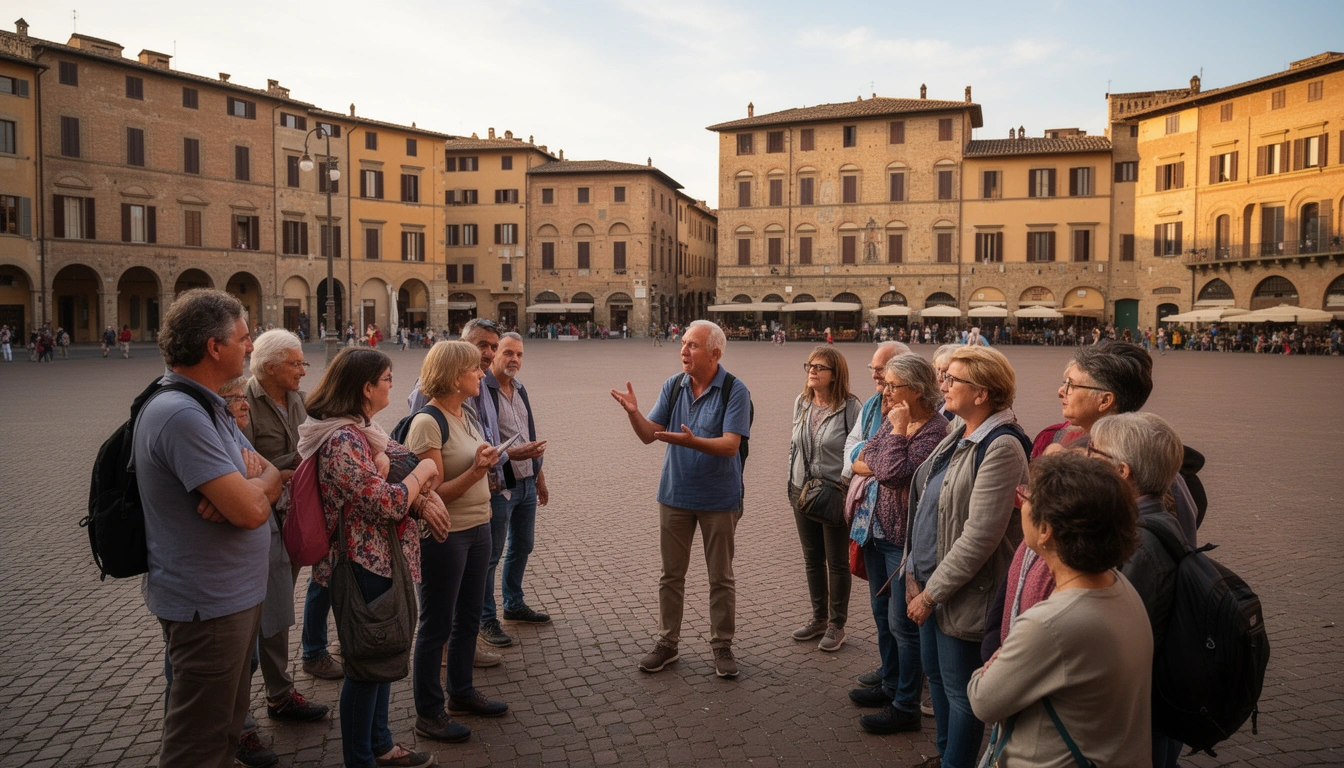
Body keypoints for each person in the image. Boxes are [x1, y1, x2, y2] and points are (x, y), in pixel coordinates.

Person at [134, 289, 285, 767]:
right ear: (213, 347)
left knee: (225, 729)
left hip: (231, 597)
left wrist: (251, 487)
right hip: (209, 607)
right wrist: (249, 493)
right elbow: (254, 511)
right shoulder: (181, 413)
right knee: (197, 742)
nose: (251, 346)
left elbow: (274, 475)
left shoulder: (210, 405)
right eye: (244, 338)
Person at [299, 347, 447, 768]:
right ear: (365, 388)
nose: (391, 384)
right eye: (386, 378)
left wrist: (397, 465)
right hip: (362, 565)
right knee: (366, 667)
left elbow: (408, 460)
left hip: (383, 559)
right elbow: (390, 500)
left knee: (382, 659)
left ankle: (380, 745)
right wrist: (417, 481)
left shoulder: (364, 429)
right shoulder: (342, 439)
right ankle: (360, 758)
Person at [967, 452, 1151, 768]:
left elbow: (982, 699)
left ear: (1046, 530)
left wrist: (994, 662)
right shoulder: (1119, 585)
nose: (1021, 503)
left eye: (1027, 498)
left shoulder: (1050, 624)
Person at [904, 346, 1030, 768]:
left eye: (952, 379)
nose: (943, 384)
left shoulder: (1002, 446)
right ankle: (945, 755)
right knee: (937, 678)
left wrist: (931, 594)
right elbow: (924, 506)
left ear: (982, 392)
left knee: (962, 694)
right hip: (930, 583)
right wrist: (911, 572)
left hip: (961, 592)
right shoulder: (960, 431)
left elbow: (980, 536)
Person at [610, 320, 751, 678]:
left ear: (715, 353)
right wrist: (633, 414)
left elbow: (731, 444)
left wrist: (693, 442)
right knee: (670, 575)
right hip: (674, 495)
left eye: (693, 346)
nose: (683, 350)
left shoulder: (735, 390)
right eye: (684, 343)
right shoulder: (674, 386)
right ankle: (667, 643)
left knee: (720, 577)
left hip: (719, 498)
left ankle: (722, 646)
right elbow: (650, 435)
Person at [402, 341, 509, 744]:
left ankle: (461, 692)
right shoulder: (427, 422)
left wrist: (484, 455)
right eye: (474, 369)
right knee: (436, 625)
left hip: (478, 528)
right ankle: (429, 712)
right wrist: (479, 469)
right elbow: (431, 495)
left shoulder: (464, 413)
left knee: (467, 619)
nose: (482, 373)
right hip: (446, 535)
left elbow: (472, 460)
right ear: (452, 375)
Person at [847, 353, 948, 735]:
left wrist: (900, 434)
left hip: (904, 541)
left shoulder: (934, 431)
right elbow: (861, 458)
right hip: (875, 531)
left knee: (902, 624)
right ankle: (890, 684)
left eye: (893, 385)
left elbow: (888, 473)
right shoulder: (894, 420)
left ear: (918, 390)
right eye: (885, 384)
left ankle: (906, 703)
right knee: (880, 615)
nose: (885, 391)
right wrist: (894, 441)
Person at [239, 331, 332, 727]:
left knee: (276, 612)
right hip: (258, 523)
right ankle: (238, 718)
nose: (302, 370)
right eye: (295, 363)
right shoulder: (242, 402)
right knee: (246, 622)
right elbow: (243, 466)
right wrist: (284, 468)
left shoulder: (298, 398)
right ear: (271, 366)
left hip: (292, 517)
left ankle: (279, 695)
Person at [1089, 412, 1189, 767]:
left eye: (1095, 453)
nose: (1086, 458)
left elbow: (1116, 635)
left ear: (1122, 471)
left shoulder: (1139, 540)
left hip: (1138, 706)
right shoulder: (1156, 518)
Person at [840, 341, 910, 689]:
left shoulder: (918, 413)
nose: (876, 376)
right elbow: (852, 451)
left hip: (898, 528)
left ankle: (908, 685)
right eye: (873, 369)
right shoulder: (872, 405)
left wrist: (870, 463)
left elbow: (896, 468)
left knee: (903, 616)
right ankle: (889, 671)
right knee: (881, 610)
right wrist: (871, 462)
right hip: (869, 523)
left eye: (882, 369)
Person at [788, 346, 861, 652]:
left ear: (835, 375)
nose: (812, 371)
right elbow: (794, 445)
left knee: (837, 562)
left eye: (820, 367)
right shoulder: (802, 402)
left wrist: (845, 484)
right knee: (812, 559)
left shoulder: (850, 408)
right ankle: (818, 617)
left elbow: (858, 448)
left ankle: (836, 624)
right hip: (801, 490)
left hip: (832, 492)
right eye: (810, 365)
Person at [481, 333, 551, 639]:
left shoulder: (519, 389)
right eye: (508, 353)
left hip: (525, 481)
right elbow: (483, 443)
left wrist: (539, 476)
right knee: (491, 554)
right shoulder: (482, 391)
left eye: (519, 355)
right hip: (499, 485)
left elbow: (529, 435)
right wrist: (514, 455)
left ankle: (513, 603)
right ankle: (485, 617)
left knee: (523, 545)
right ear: (495, 354)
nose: (514, 360)